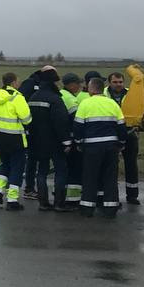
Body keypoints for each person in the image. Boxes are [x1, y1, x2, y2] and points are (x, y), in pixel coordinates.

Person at [72, 76, 127, 218]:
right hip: (111, 146)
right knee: (110, 177)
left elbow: (78, 127)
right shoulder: (113, 104)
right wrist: (121, 143)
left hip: (91, 146)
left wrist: (78, 143)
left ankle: (87, 208)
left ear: (91, 89)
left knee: (90, 177)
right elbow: (121, 127)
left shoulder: (85, 104)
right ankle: (110, 209)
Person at [0, 72, 33, 210]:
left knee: (5, 164)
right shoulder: (17, 97)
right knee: (17, 167)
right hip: (14, 138)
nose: (19, 84)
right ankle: (12, 200)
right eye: (18, 82)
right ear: (13, 83)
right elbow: (27, 118)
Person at [26, 69, 72, 211]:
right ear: (53, 82)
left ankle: (43, 202)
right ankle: (59, 203)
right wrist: (66, 141)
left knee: (41, 171)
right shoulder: (55, 99)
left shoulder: (33, 97)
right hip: (54, 142)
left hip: (36, 141)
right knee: (60, 171)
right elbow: (61, 122)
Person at [20, 65, 58, 198]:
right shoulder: (30, 83)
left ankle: (33, 188)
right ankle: (29, 188)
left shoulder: (40, 84)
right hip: (31, 127)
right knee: (33, 160)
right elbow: (21, 101)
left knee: (35, 160)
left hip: (39, 128)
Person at [105, 71, 141, 204]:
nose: (118, 84)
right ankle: (113, 196)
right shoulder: (104, 94)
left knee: (131, 165)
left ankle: (132, 196)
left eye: (120, 82)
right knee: (112, 166)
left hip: (130, 133)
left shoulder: (131, 94)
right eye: (115, 82)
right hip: (111, 134)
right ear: (109, 83)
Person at [60, 73, 88, 209]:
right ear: (70, 84)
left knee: (65, 168)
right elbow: (77, 120)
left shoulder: (62, 94)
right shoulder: (70, 98)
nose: (80, 86)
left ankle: (63, 195)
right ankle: (73, 199)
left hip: (62, 139)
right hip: (70, 139)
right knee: (75, 169)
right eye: (78, 83)